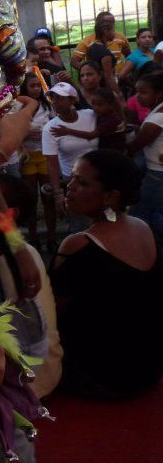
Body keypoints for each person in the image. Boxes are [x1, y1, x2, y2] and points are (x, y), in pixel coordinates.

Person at [51, 150, 163, 397]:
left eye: (82, 183)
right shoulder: (143, 228)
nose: (69, 187)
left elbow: (53, 313)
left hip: (101, 376)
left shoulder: (78, 244)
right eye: (72, 178)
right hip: (148, 369)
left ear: (111, 196)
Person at [42, 83, 98, 233]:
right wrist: (58, 194)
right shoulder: (50, 128)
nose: (55, 102)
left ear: (73, 100)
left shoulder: (90, 115)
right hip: (73, 181)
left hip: (98, 177)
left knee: (99, 221)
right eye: (53, 98)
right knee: (78, 225)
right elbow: (52, 162)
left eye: (61, 98)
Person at [19, 72, 57, 251]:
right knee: (31, 199)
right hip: (27, 157)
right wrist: (25, 134)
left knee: (48, 197)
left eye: (37, 86)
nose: (35, 89)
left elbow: (55, 125)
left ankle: (51, 238)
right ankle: (33, 239)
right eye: (31, 86)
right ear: (24, 88)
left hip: (45, 155)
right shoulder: (18, 107)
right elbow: (10, 132)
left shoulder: (47, 106)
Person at [128, 71, 163, 235]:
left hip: (157, 174)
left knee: (140, 215)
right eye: (136, 92)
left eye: (143, 92)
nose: (138, 96)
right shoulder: (157, 112)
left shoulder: (157, 118)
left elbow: (135, 146)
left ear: (158, 94)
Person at [50, 86, 126, 153]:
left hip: (114, 155)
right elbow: (80, 106)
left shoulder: (112, 119)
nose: (95, 108)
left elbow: (91, 135)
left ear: (111, 105)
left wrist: (67, 131)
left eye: (100, 104)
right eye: (93, 104)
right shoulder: (98, 113)